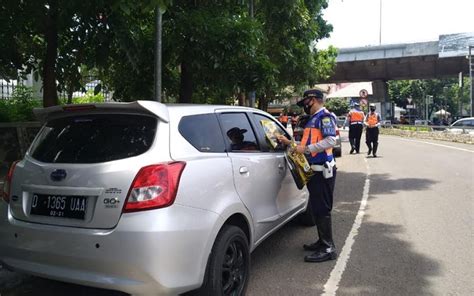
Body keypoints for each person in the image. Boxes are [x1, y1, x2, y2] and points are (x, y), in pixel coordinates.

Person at [277, 89, 338, 263]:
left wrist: (307, 149)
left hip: (323, 170)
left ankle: (328, 248)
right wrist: (290, 144)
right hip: (314, 169)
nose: (304, 105)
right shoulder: (313, 119)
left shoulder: (325, 117)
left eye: (305, 102)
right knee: (318, 208)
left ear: (313, 100)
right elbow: (307, 143)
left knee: (323, 209)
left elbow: (331, 140)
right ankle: (322, 241)